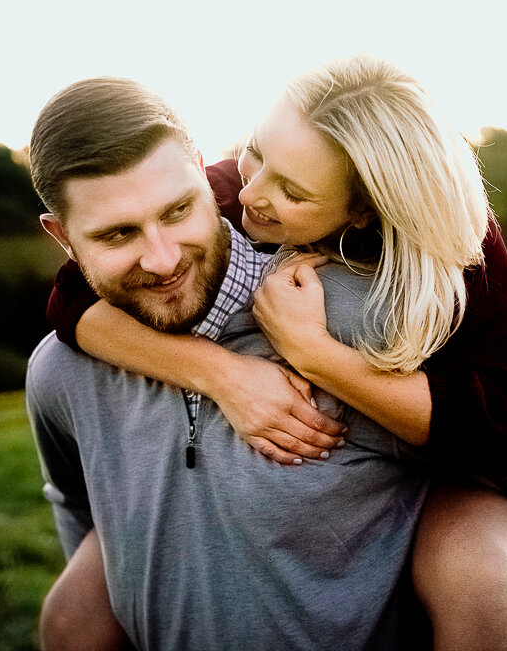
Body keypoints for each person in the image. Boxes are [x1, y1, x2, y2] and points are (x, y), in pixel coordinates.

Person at [42, 56, 507, 650]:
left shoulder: (447, 271)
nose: (250, 195)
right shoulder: (233, 186)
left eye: (292, 191)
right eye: (254, 152)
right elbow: (71, 298)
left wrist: (497, 612)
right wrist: (222, 373)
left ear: (362, 207)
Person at [26, 76, 435, 650]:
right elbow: (80, 505)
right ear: (63, 238)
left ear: (204, 173)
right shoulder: (57, 375)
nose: (163, 259)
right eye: (118, 234)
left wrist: (480, 613)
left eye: (177, 210)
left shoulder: (350, 320)